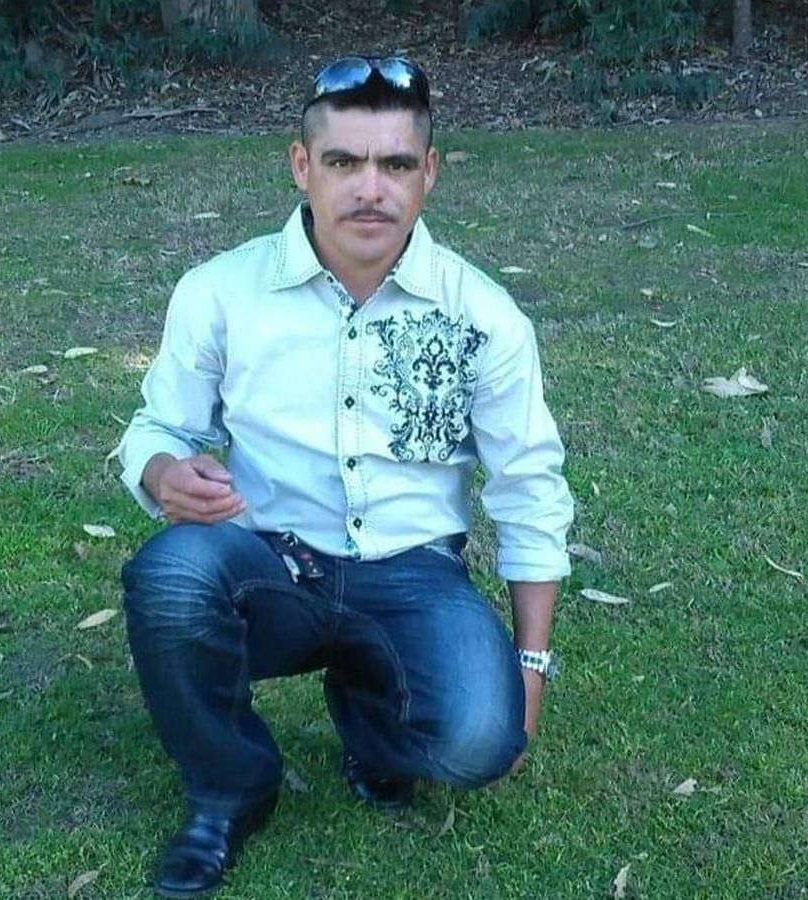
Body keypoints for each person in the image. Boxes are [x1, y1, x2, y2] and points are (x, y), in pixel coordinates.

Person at [117, 55, 573, 898]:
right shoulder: (220, 292)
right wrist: (162, 470)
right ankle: (228, 787)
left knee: (480, 739)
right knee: (171, 575)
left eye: (395, 164)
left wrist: (531, 665)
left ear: (429, 172)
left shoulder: (484, 315)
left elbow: (530, 487)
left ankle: (371, 720)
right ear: (302, 165)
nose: (371, 189)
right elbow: (156, 427)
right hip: (269, 565)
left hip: (413, 573)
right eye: (343, 162)